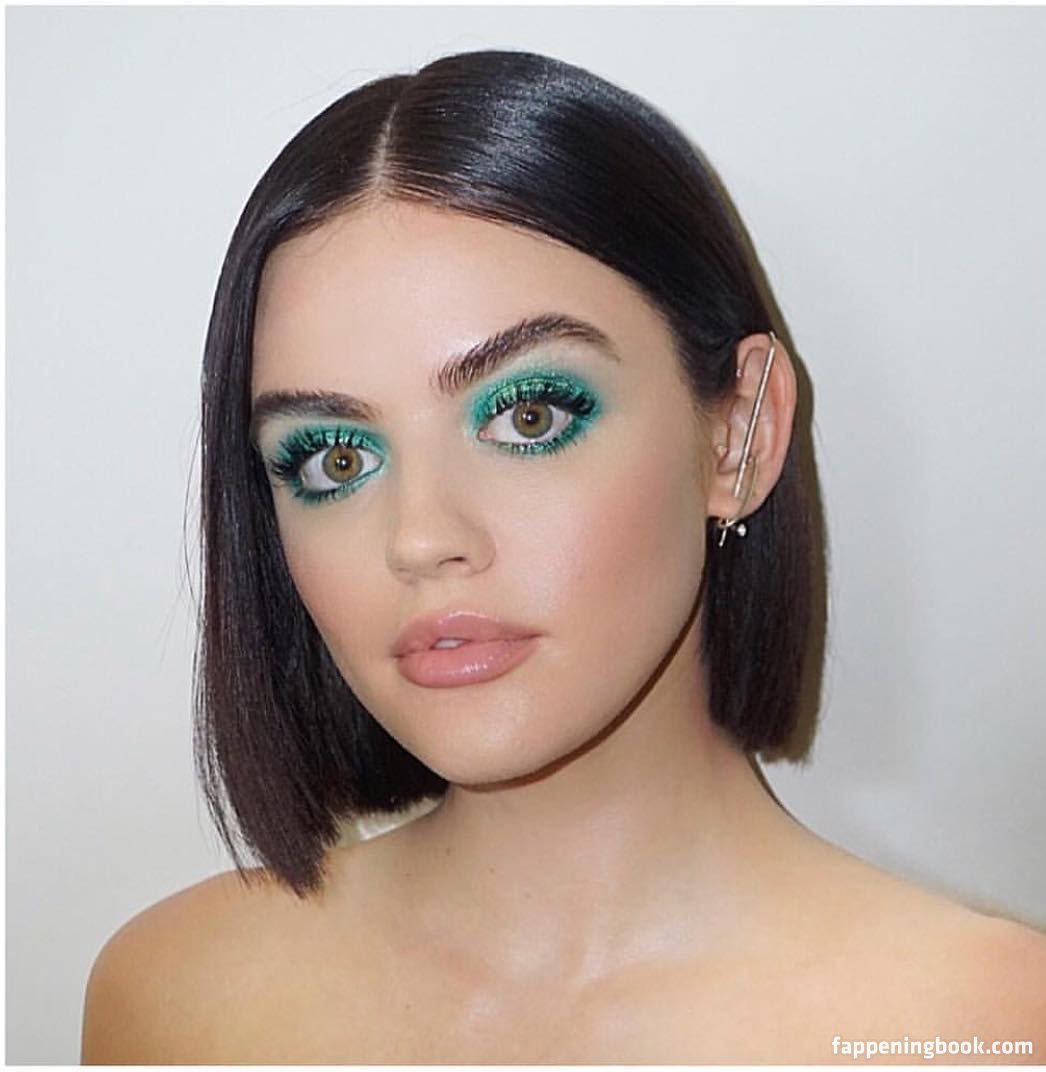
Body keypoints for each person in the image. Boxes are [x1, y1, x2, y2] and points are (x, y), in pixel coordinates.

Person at [80, 49, 1045, 1064]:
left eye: (527, 414)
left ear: (738, 435)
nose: (420, 538)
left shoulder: (981, 1029)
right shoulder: (173, 1002)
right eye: (335, 456)